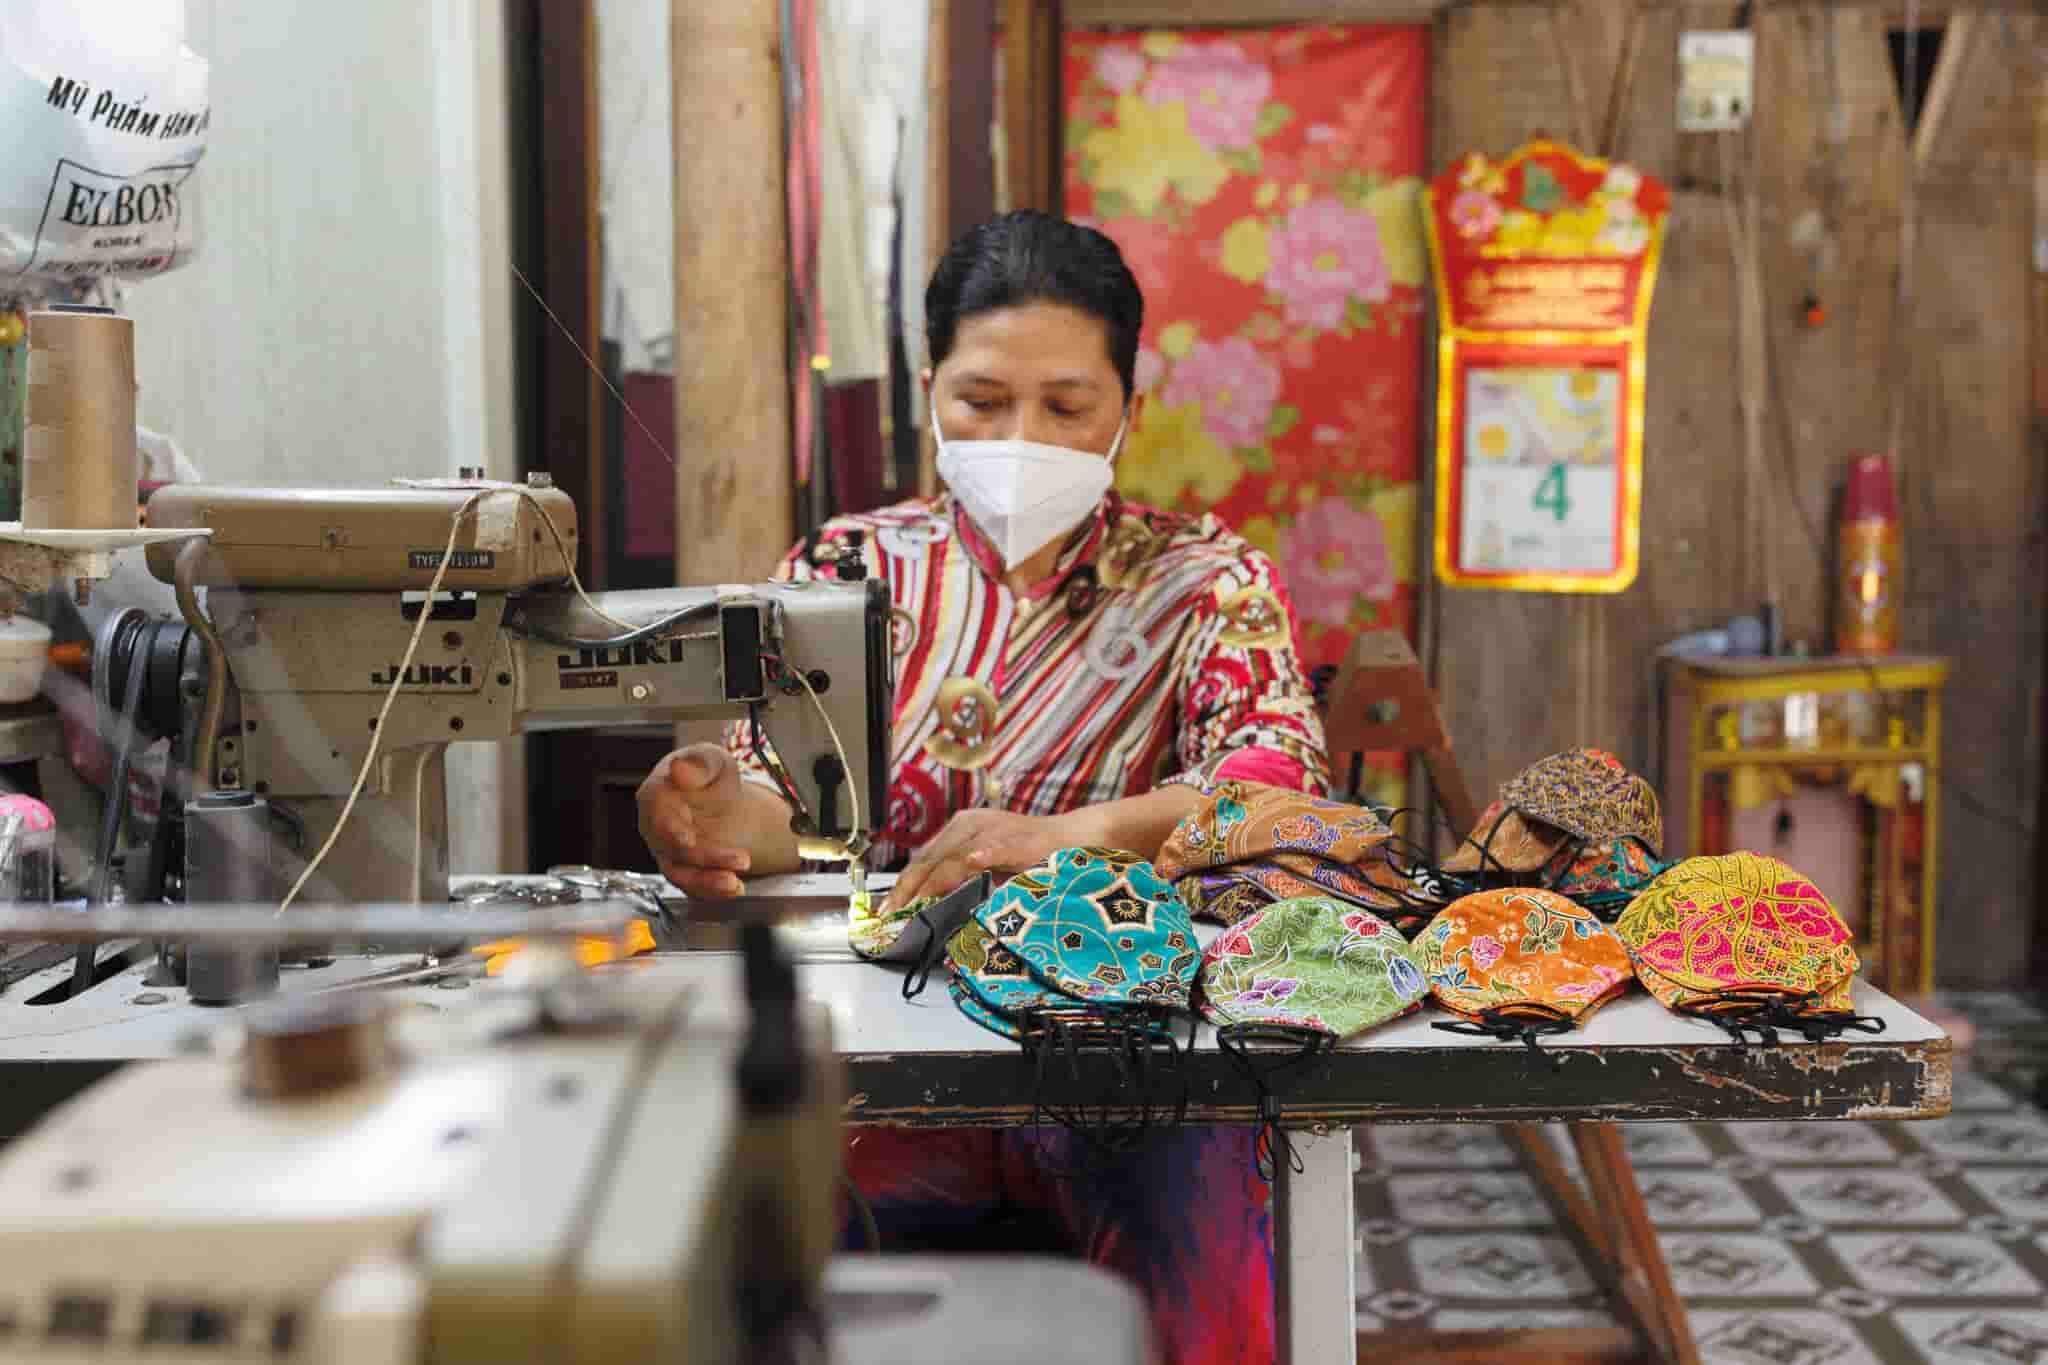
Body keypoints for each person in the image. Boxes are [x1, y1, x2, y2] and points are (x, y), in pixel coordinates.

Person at [638, 210, 1330, 1365]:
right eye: (981, 401)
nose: (1022, 437)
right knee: (780, 1285)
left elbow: (1274, 784)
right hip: (882, 1054)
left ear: (1127, 409)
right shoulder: (847, 573)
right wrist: (705, 809)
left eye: (1067, 408)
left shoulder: (1205, 583)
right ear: (928, 392)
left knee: (1191, 1283)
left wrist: (1067, 834)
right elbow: (770, 802)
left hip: (1130, 1056)